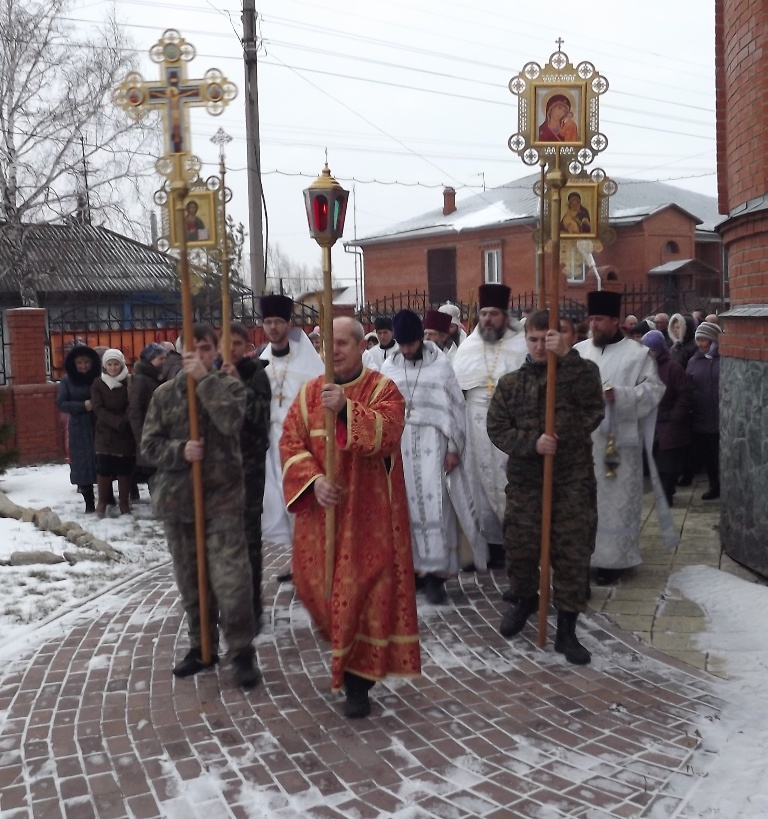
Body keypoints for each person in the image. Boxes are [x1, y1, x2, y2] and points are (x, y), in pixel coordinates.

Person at [280, 317, 421, 718]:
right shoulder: (309, 394)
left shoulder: (382, 389)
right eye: (329, 343)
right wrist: (313, 480)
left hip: (368, 516)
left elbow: (388, 433)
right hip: (321, 517)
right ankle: (345, 651)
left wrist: (346, 408)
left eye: (343, 343)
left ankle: (358, 681)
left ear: (362, 347)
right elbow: (290, 442)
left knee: (365, 594)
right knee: (316, 590)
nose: (335, 350)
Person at [141, 323, 260, 689]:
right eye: (191, 350)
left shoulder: (229, 386)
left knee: (232, 581)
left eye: (205, 349)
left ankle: (242, 651)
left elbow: (231, 422)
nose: (198, 356)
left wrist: (205, 380)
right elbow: (149, 445)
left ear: (215, 351)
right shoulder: (164, 395)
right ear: (180, 353)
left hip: (222, 499)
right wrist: (181, 451)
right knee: (192, 583)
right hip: (179, 502)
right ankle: (201, 646)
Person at [487, 311, 604, 664]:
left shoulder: (581, 372)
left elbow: (594, 410)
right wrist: (531, 443)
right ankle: (525, 600)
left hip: (571, 480)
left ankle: (567, 628)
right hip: (527, 482)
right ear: (525, 340)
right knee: (521, 547)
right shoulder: (511, 384)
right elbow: (497, 428)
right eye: (533, 340)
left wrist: (566, 358)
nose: (540, 347)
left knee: (572, 553)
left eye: (546, 339)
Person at [381, 310, 487, 605]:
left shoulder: (441, 366)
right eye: (402, 344)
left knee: (436, 508)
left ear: (420, 338)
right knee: (405, 510)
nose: (406, 350)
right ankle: (414, 572)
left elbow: (455, 408)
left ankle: (436, 578)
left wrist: (453, 448)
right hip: (401, 446)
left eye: (411, 344)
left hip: (434, 445)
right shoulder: (389, 367)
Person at [575, 291, 673, 586]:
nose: (594, 324)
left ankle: (614, 561)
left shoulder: (638, 354)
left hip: (620, 444)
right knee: (584, 502)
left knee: (616, 503)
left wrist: (619, 395)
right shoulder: (579, 351)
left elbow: (654, 391)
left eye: (599, 319)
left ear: (615, 320)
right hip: (585, 442)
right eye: (591, 318)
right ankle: (584, 556)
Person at [451, 284, 527, 561]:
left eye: (493, 314)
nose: (487, 319)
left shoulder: (523, 345)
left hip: (511, 426)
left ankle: (519, 541)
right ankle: (493, 545)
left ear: (505, 316)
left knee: (512, 483)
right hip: (476, 428)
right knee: (480, 486)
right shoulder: (468, 347)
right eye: (483, 314)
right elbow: (456, 394)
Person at [259, 295, 324, 569]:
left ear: (288, 324)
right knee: (277, 502)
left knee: (301, 501)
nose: (273, 327)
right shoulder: (260, 363)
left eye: (278, 321)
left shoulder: (309, 364)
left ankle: (310, 564)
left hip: (300, 446)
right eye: (268, 322)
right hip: (270, 446)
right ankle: (298, 562)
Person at [220, 322, 271, 628]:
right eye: (227, 343)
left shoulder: (256, 374)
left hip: (249, 465)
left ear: (247, 347)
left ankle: (253, 606)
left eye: (238, 343)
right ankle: (226, 604)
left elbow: (261, 416)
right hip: (220, 467)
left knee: (249, 536)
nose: (232, 349)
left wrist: (238, 385)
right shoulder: (213, 373)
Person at [641, 330, 693, 506]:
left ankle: (666, 494)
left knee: (668, 464)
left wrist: (675, 415)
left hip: (669, 423)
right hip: (650, 421)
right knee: (654, 462)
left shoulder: (673, 368)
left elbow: (685, 392)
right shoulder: (642, 367)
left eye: (651, 350)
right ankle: (664, 492)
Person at [56, 345, 101, 513]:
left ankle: (107, 497)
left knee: (102, 462)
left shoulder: (98, 377)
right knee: (82, 464)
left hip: (98, 424)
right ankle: (89, 502)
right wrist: (82, 406)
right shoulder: (67, 381)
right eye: (80, 363)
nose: (83, 366)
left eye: (86, 362)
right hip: (78, 426)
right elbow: (61, 403)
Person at [90, 349, 135, 516]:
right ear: (105, 366)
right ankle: (102, 502)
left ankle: (124, 503)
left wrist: (125, 421)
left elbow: (133, 404)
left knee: (124, 468)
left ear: (121, 364)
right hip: (105, 432)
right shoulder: (98, 383)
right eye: (110, 364)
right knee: (104, 467)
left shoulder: (129, 382)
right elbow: (98, 408)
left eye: (116, 364)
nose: (113, 368)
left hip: (125, 432)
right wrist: (116, 422)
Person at [686, 321, 722, 501]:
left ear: (713, 339)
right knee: (708, 456)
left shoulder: (723, 359)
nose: (700, 343)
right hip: (702, 416)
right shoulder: (694, 361)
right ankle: (714, 485)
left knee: (720, 454)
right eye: (698, 339)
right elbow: (687, 385)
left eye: (704, 339)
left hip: (721, 415)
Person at [129, 342, 167, 492]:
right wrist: (141, 437)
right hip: (148, 433)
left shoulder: (155, 377)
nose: (164, 361)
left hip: (156, 432)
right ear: (150, 359)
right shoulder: (142, 380)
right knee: (153, 475)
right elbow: (135, 411)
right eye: (160, 358)